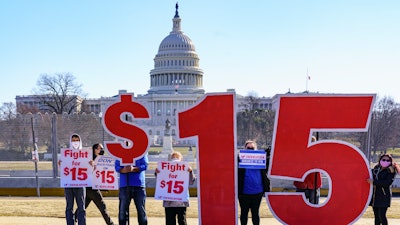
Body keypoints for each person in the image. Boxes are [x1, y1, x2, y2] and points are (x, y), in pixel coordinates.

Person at [74, 143, 114, 225]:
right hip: (92, 188)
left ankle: (73, 219)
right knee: (102, 206)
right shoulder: (91, 160)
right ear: (95, 149)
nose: (102, 150)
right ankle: (110, 223)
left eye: (102, 148)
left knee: (83, 206)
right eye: (100, 148)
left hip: (89, 188)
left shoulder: (100, 159)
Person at [155, 151, 196, 225]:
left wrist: (190, 172)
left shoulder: (185, 170)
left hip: (181, 202)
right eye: (173, 158)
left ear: (181, 160)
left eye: (177, 158)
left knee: (182, 221)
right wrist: (157, 173)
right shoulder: (165, 169)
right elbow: (160, 181)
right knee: (170, 222)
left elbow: (191, 182)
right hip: (169, 201)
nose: (175, 160)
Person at [238, 140, 270, 225]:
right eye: (248, 148)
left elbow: (269, 161)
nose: (250, 150)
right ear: (245, 148)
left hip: (257, 192)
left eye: (252, 148)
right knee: (244, 214)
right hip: (243, 193)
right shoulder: (239, 159)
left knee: (255, 213)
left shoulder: (261, 159)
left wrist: (268, 153)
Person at [115, 153, 149, 225]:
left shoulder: (142, 152)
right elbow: (116, 166)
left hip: (139, 185)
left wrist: (134, 169)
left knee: (141, 211)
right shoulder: (121, 152)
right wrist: (123, 170)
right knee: (122, 211)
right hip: (124, 185)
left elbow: (145, 165)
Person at [61, 133, 86, 225]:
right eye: (73, 140)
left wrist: (91, 165)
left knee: (81, 207)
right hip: (69, 183)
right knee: (69, 207)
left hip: (80, 184)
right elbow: (64, 169)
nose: (75, 142)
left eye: (77, 140)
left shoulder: (85, 154)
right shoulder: (66, 154)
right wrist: (61, 164)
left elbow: (89, 170)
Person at [368, 153, 398, 225]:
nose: (385, 161)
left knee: (382, 215)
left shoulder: (391, 170)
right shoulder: (376, 168)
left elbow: (387, 183)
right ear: (380, 160)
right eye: (383, 159)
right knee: (376, 216)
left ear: (390, 161)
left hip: (384, 196)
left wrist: (374, 182)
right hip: (375, 196)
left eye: (388, 160)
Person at [293, 136, 322, 204]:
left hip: (310, 184)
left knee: (305, 207)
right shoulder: (299, 154)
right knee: (310, 207)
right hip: (306, 183)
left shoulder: (317, 154)